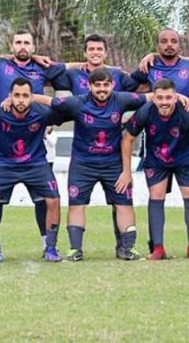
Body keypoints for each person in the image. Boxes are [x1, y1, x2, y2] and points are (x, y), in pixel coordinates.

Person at [40, 68, 148, 261]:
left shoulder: (121, 99)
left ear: (112, 85)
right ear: (89, 86)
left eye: (106, 85)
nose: (101, 89)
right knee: (76, 205)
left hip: (113, 165)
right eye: (97, 85)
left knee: (124, 204)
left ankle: (128, 248)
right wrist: (26, 97)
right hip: (82, 165)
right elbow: (50, 101)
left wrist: (179, 96)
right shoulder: (78, 102)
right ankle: (75, 250)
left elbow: (150, 97)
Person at [120, 79, 189, 260]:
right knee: (156, 195)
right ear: (154, 98)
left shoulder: (188, 112)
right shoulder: (145, 112)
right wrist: (126, 171)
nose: (164, 101)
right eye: (160, 98)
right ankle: (157, 247)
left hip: (185, 158)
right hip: (157, 159)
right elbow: (127, 139)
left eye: (168, 97)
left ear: (175, 97)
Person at [0, 78, 65, 263]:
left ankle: (50, 247)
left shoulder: (42, 113)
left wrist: (42, 101)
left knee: (54, 199)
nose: (21, 100)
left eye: (25, 96)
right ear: (10, 96)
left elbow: (67, 107)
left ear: (32, 97)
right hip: (4, 164)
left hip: (36, 164)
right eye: (17, 95)